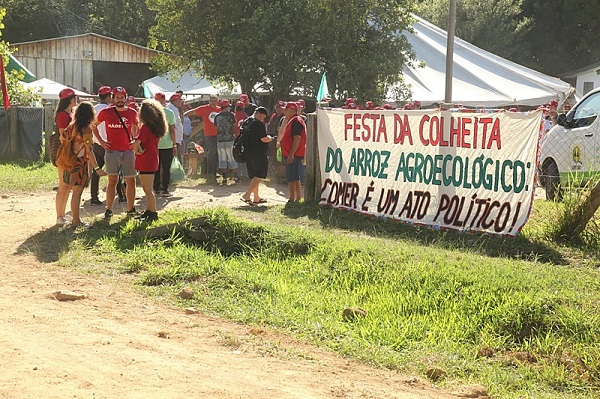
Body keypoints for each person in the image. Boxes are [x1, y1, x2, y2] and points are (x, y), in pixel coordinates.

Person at [94, 86, 139, 219]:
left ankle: (131, 209)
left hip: (128, 152)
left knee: (131, 181)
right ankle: (109, 209)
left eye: (122, 97)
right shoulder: (106, 112)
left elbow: (138, 126)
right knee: (112, 181)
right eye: (117, 97)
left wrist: (135, 140)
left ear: (125, 98)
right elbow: (93, 126)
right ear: (113, 98)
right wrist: (101, 142)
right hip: (111, 151)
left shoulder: (132, 112)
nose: (120, 100)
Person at [59, 101, 106, 227]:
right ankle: (76, 221)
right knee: (77, 193)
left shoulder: (71, 126)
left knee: (69, 190)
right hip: (79, 164)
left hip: (68, 161)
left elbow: (62, 138)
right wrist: (97, 168)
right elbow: (89, 151)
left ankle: (67, 218)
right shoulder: (87, 130)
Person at [133, 99, 167, 222]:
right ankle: (149, 210)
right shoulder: (156, 127)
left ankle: (153, 212)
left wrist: (136, 150)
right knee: (148, 188)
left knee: (147, 189)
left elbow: (137, 143)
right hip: (152, 159)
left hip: (146, 160)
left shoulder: (146, 128)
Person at [90, 86, 125, 205]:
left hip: (96, 143)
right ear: (109, 96)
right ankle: (121, 196)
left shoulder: (94, 109)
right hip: (109, 144)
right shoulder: (111, 110)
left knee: (97, 170)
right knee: (116, 171)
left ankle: (94, 196)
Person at [241, 106, 274, 204]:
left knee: (254, 175)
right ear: (260, 114)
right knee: (259, 175)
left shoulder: (246, 122)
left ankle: (256, 197)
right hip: (258, 153)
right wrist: (271, 138)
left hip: (248, 152)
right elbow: (263, 139)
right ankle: (246, 195)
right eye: (264, 117)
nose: (263, 119)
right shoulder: (258, 124)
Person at [54, 88, 77, 226]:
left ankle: (62, 215)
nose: (76, 99)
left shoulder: (71, 113)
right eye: (74, 97)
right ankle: (59, 216)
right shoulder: (63, 115)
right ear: (69, 99)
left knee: (68, 185)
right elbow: (63, 136)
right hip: (66, 152)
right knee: (63, 186)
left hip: (71, 152)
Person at [185, 94, 221, 183]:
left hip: (220, 134)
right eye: (212, 101)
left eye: (215, 101)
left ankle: (217, 172)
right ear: (209, 101)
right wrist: (182, 117)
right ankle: (210, 174)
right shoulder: (204, 108)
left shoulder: (219, 110)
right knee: (211, 153)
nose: (213, 103)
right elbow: (191, 112)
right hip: (209, 134)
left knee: (218, 153)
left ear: (217, 102)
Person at [280, 101, 307, 203]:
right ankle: (296, 198)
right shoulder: (293, 120)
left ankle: (293, 198)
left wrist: (291, 154)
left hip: (293, 154)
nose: (284, 111)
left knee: (292, 177)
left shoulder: (296, 121)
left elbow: (297, 138)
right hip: (292, 154)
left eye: (286, 109)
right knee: (294, 177)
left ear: (291, 110)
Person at [153, 92, 177, 196]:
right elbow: (172, 130)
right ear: (164, 100)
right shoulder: (169, 112)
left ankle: (156, 187)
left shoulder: (151, 113)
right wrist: (174, 144)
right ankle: (165, 188)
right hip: (167, 144)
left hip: (155, 144)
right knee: (166, 167)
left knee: (156, 167)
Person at [214, 99, 238, 183]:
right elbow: (235, 125)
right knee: (231, 157)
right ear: (227, 106)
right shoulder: (231, 115)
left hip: (220, 139)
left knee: (222, 159)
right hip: (230, 139)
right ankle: (235, 177)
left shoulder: (217, 116)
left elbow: (216, 128)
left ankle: (224, 178)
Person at [167, 93, 184, 164]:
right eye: (180, 100)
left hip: (176, 138)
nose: (181, 102)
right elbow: (172, 126)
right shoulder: (172, 109)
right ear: (175, 101)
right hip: (174, 138)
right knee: (177, 157)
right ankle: (176, 174)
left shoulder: (173, 108)